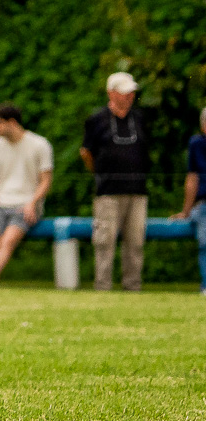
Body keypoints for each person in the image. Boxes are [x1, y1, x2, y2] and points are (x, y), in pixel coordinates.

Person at [81, 71, 151, 292]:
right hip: (108, 192)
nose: (129, 96)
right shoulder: (96, 120)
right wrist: (100, 174)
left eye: (131, 93)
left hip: (138, 191)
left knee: (136, 242)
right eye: (124, 92)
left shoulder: (140, 119)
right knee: (105, 241)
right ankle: (103, 287)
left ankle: (133, 286)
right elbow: (86, 152)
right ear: (111, 93)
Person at [0, 103, 53, 290]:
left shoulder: (39, 145)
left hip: (26, 205)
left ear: (12, 122)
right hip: (0, 203)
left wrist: (32, 203)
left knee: (9, 240)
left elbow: (46, 181)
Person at [169, 107, 206, 295]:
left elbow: (192, 179)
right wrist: (186, 211)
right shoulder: (198, 144)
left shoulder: (196, 144)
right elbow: (193, 179)